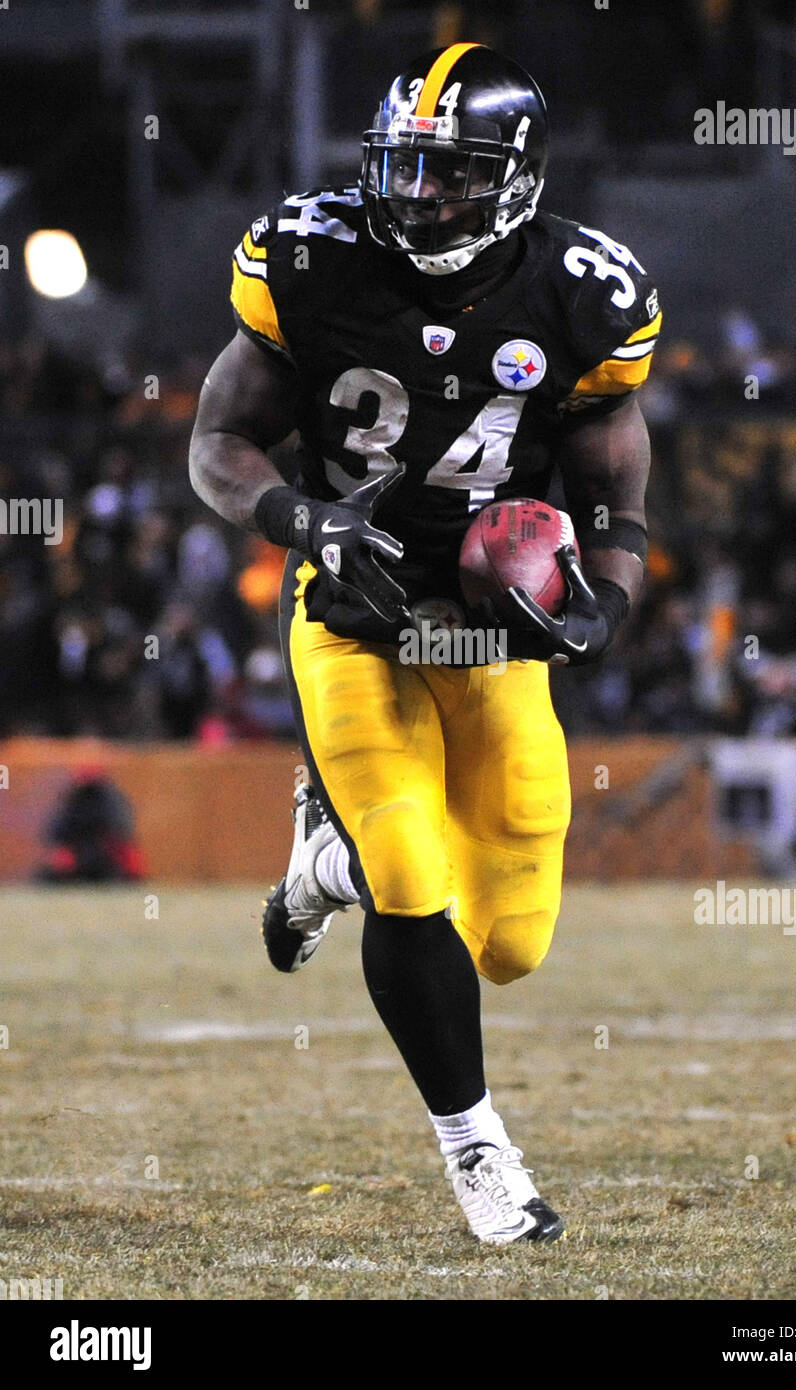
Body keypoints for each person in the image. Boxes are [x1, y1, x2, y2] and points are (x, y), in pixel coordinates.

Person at [189, 42, 659, 1244]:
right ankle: (480, 1155)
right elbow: (219, 445)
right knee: (412, 875)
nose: (419, 197)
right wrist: (306, 520)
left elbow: (611, 465)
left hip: (486, 632)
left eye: (449, 175)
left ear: (513, 180)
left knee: (509, 940)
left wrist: (603, 593)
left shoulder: (584, 291)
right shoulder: (309, 255)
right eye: (403, 169)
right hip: (354, 613)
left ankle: (316, 869)